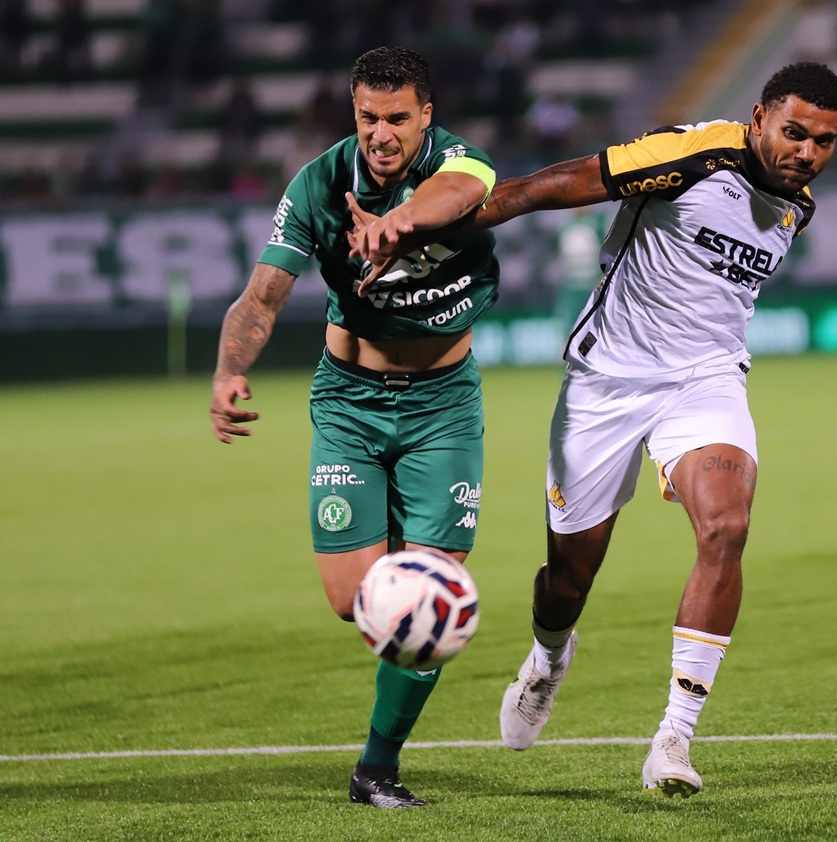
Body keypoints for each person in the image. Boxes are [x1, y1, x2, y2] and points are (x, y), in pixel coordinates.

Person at [350, 61, 837, 797]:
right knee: (569, 579)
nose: (805, 151)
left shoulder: (795, 204)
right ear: (760, 117)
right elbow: (548, 187)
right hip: (606, 383)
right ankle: (549, 658)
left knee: (727, 527)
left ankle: (674, 739)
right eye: (794, 131)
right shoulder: (692, 155)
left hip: (705, 382)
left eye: (823, 141)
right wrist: (419, 227)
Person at [208, 46, 501, 809]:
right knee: (352, 602)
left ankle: (377, 767)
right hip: (350, 403)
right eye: (368, 116)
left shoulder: (461, 163)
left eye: (397, 117)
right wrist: (229, 370)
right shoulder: (318, 183)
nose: (380, 132)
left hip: (442, 408)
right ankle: (401, 563)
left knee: (433, 598)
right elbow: (261, 297)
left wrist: (396, 223)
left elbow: (463, 190)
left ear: (426, 116)